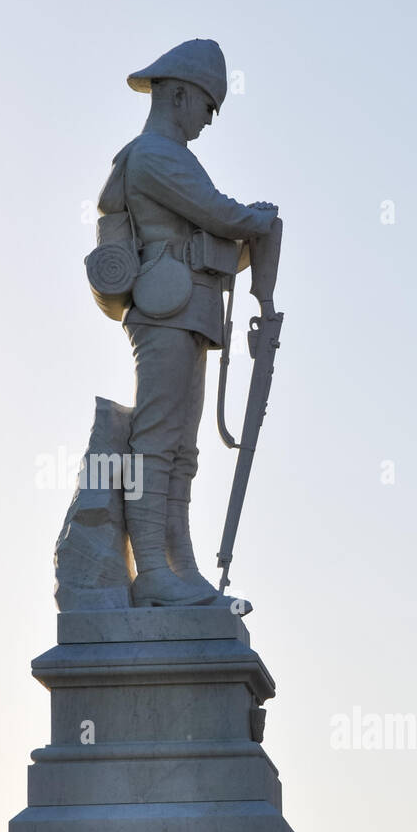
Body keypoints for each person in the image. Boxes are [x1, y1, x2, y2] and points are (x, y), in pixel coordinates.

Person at [95, 38, 279, 606]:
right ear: (178, 95)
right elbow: (219, 212)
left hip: (188, 308)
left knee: (180, 448)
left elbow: (218, 233)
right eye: (206, 106)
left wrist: (252, 229)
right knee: (156, 441)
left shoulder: (171, 156)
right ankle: (152, 569)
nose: (206, 120)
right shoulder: (154, 155)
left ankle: (179, 566)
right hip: (166, 308)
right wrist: (259, 219)